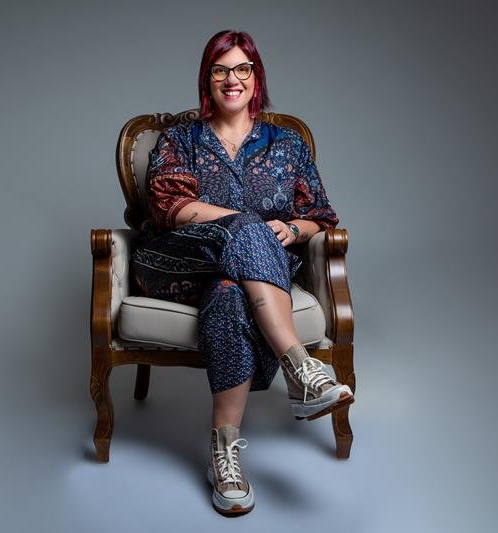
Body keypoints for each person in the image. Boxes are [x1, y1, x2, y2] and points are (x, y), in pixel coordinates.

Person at [130, 29, 354, 516]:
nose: (232, 79)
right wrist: (245, 224)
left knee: (230, 293)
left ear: (256, 77)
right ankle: (299, 368)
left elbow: (320, 215)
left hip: (246, 275)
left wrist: (291, 229)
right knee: (246, 231)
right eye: (220, 69)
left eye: (242, 69)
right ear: (206, 79)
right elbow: (170, 208)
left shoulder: (287, 145)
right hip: (175, 261)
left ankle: (224, 452)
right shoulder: (179, 140)